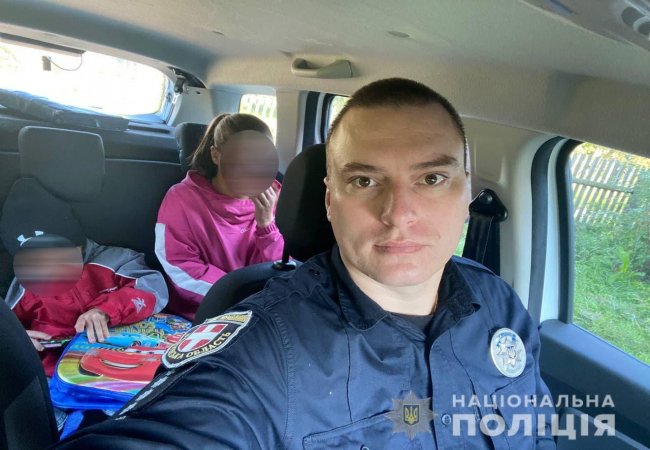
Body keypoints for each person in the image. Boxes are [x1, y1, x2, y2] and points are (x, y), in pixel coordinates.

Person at [54, 78, 556, 448]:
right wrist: (226, 290)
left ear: (467, 193)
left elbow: (537, 431)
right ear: (330, 200)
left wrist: (266, 226)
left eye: (431, 179)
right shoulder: (265, 350)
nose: (399, 214)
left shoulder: (499, 303)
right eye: (364, 181)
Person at [0, 179, 169, 378]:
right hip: (58, 374)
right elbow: (6, 329)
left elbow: (153, 288)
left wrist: (105, 310)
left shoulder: (114, 261)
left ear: (77, 244)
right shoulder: (23, 290)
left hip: (128, 357)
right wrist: (18, 341)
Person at [155, 113, 284, 320]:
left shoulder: (275, 198)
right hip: (202, 312)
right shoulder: (182, 199)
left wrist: (267, 226)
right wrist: (237, 297)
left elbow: (279, 272)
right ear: (216, 156)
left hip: (258, 311)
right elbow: (180, 265)